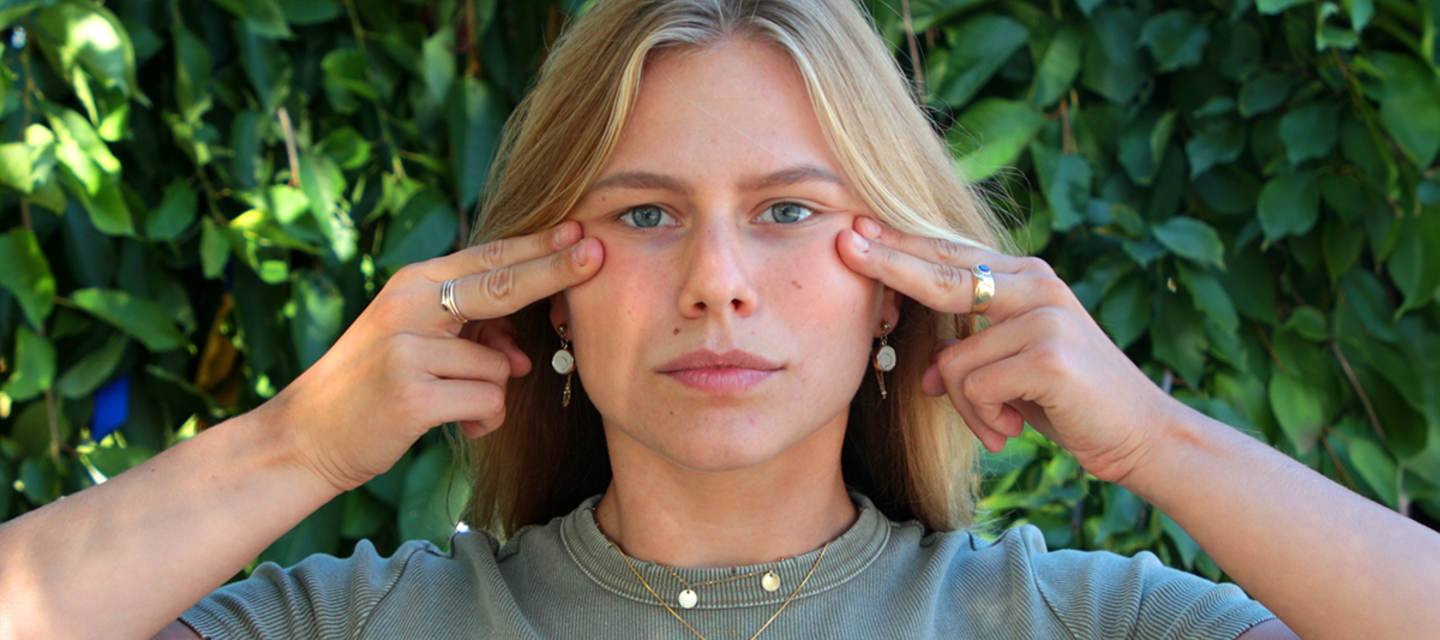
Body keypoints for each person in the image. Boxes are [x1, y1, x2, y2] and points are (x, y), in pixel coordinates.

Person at [1, 0, 1436, 638]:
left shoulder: (1065, 623)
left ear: (900, 279)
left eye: (793, 210)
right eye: (642, 212)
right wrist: (293, 450)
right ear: (546, 284)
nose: (717, 282)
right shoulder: (373, 626)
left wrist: (1160, 445)